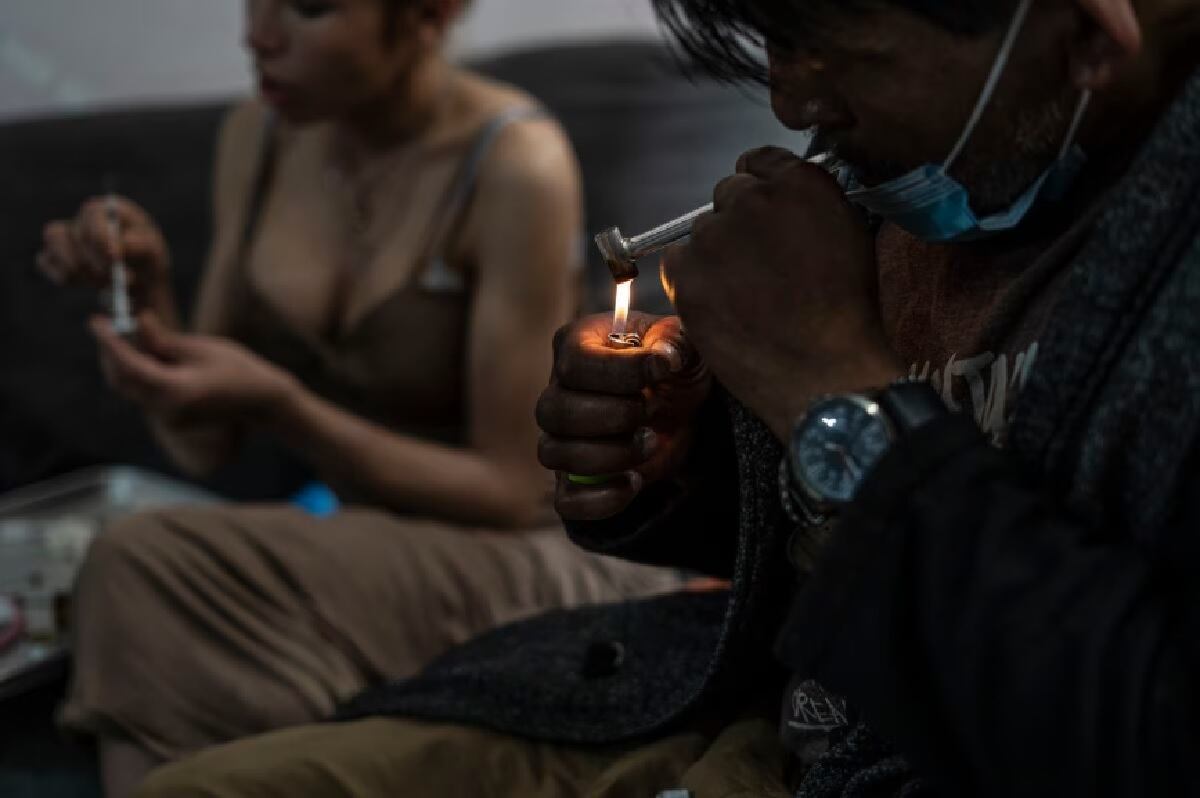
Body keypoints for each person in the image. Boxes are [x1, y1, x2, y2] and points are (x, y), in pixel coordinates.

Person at [135, 0, 1200, 795]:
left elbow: (1135, 726)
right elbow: (820, 542)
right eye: (780, 42)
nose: (791, 102)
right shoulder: (951, 167)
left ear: (1086, 37)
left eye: (833, 50)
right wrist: (678, 464)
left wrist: (825, 385)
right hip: (740, 720)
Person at [36, 1, 683, 795]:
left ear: (425, 14)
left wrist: (285, 407)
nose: (259, 35)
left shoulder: (513, 162)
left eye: (308, 8)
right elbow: (204, 446)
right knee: (151, 576)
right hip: (372, 549)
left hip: (538, 557)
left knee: (141, 564)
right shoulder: (261, 137)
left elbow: (517, 490)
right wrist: (149, 307)